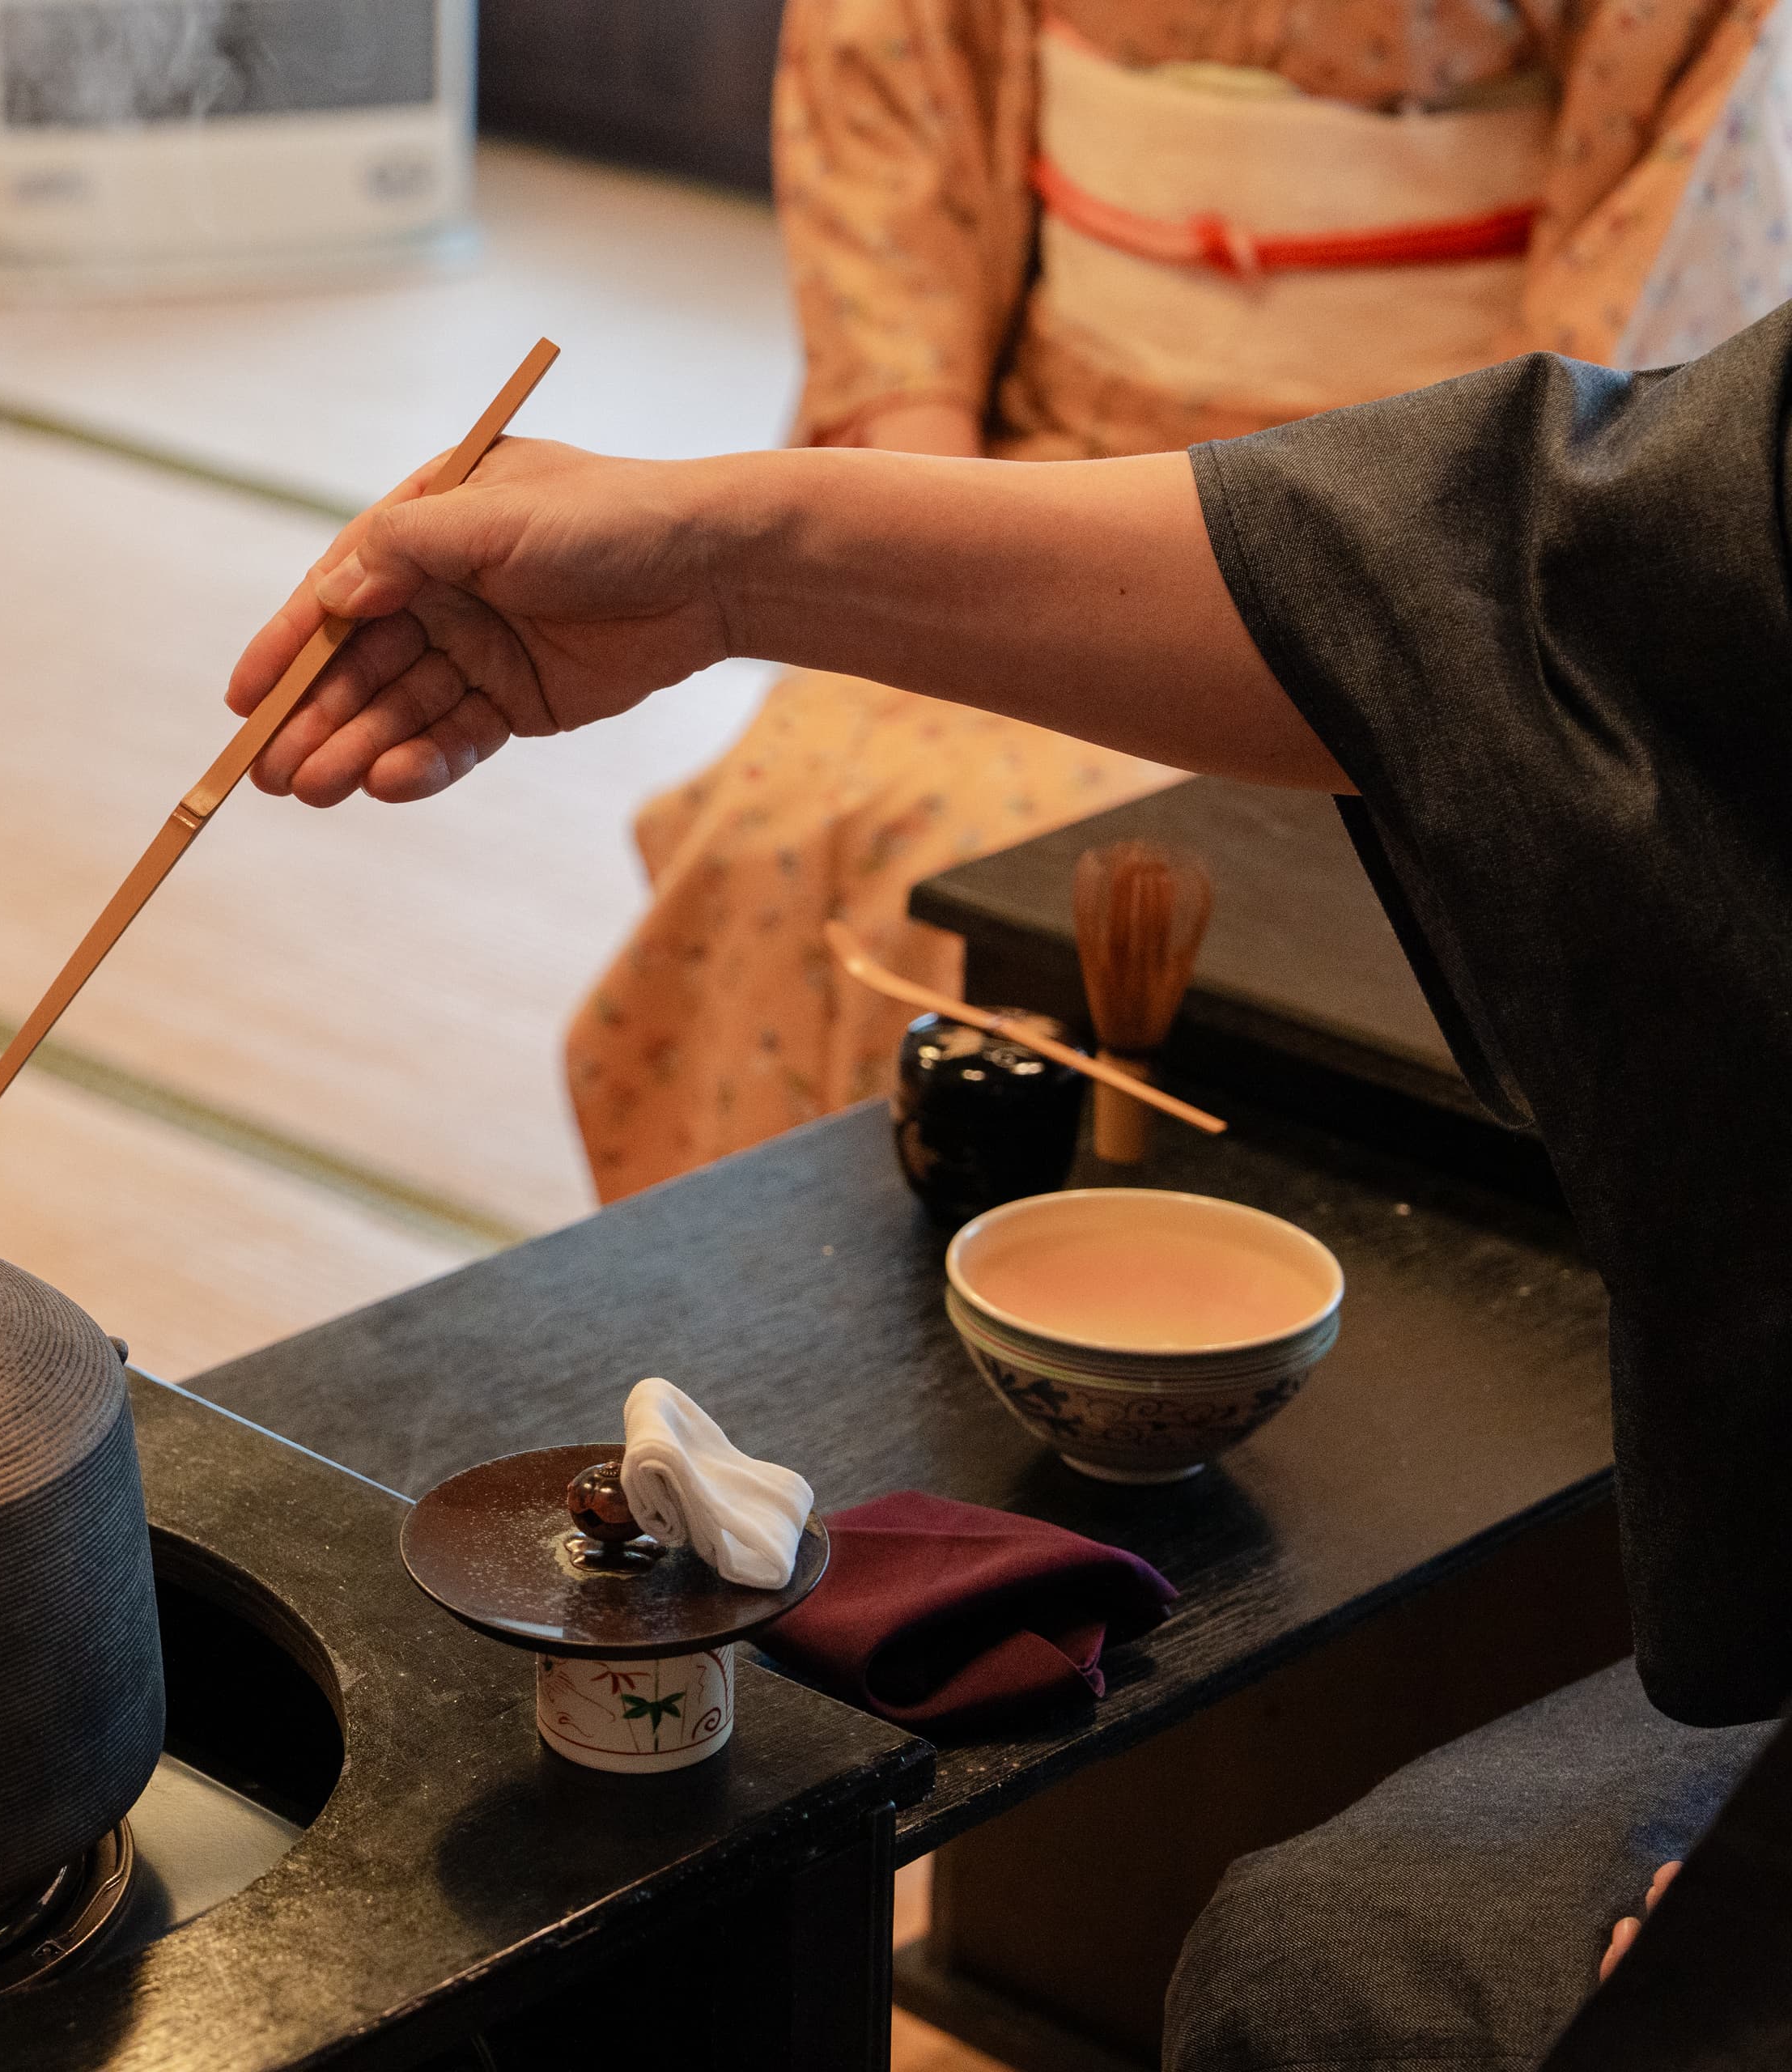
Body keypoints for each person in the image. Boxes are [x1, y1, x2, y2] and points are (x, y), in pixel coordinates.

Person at [224, 306, 1792, 2063]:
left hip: (1397, 322)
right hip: (1121, 419)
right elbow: (1547, 582)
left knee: (1367, 1970)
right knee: (1321, 1949)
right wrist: (730, 558)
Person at [564, 0, 1792, 1203]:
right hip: (1041, 475)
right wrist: (914, 531)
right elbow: (894, 112)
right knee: (788, 828)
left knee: (1162, 889)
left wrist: (1484, 567)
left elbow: (1659, 237)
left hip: (1418, 530)